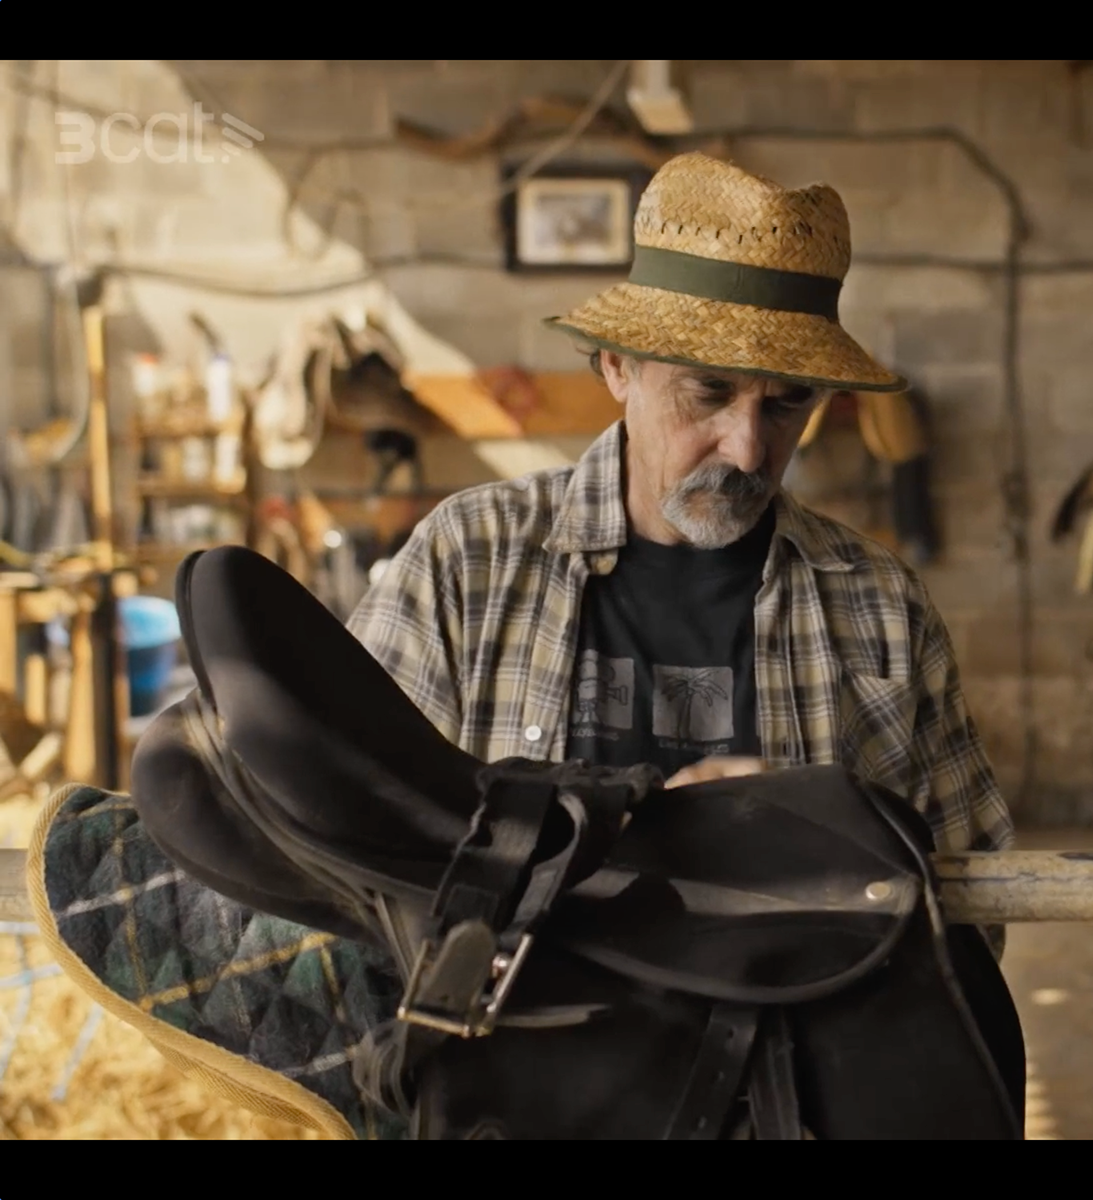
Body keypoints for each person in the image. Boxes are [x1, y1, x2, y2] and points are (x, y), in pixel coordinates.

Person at [345, 151, 1014, 950]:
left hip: (782, 1029)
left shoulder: (881, 608)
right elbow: (351, 842)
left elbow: (974, 905)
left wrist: (827, 835)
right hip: (519, 1022)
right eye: (710, 390)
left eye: (787, 403)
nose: (747, 448)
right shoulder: (467, 562)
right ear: (617, 366)